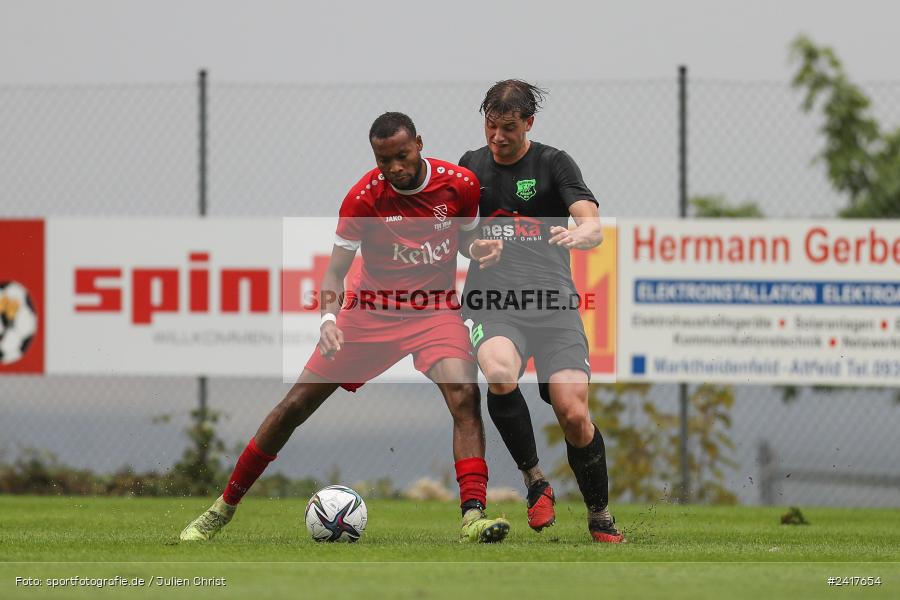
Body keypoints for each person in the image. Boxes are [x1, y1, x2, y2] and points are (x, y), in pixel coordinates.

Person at [180, 112, 508, 543]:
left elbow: (464, 238)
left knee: (465, 393)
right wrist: (329, 320)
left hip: (434, 312)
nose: (394, 168)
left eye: (402, 155)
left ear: (420, 144)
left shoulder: (459, 184)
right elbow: (335, 273)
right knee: (294, 406)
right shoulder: (363, 199)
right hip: (369, 313)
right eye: (383, 159)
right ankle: (222, 508)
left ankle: (472, 517)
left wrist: (478, 246)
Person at [458, 80, 624, 543]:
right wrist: (473, 246)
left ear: (528, 123)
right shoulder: (469, 167)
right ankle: (536, 483)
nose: (498, 137)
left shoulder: (553, 162)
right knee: (498, 368)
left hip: (553, 306)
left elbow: (589, 219)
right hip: (493, 304)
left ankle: (600, 515)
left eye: (508, 128)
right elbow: (455, 235)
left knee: (573, 412)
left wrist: (586, 232)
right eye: (491, 127)